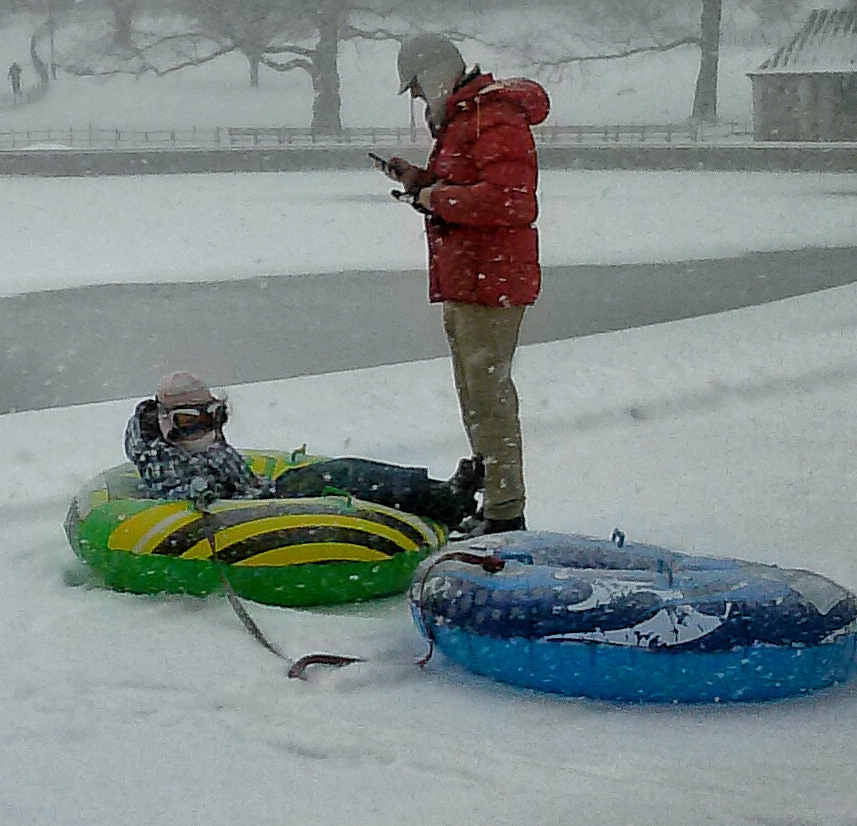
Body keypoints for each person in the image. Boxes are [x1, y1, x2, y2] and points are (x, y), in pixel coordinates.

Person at [381, 32, 550, 536]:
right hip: (469, 279)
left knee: (489, 398)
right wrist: (420, 180)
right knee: (475, 395)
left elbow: (511, 202)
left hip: (491, 281)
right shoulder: (463, 122)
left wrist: (435, 198)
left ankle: (504, 513)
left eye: (415, 86)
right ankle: (490, 499)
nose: (415, 97)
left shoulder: (493, 118)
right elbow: (467, 188)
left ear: (436, 73)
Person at [123, 372, 480, 525]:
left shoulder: (203, 438)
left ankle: (437, 493)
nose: (202, 426)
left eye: (210, 414)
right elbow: (172, 494)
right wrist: (199, 491)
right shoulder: (161, 453)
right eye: (189, 419)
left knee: (345, 468)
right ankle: (444, 502)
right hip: (250, 511)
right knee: (339, 479)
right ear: (168, 419)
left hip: (261, 493)